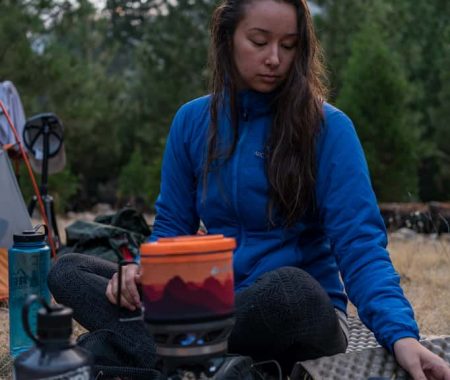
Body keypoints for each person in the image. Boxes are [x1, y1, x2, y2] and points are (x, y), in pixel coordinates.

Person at [48, 0, 450, 378]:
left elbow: (360, 244)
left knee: (290, 290)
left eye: (288, 45)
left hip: (296, 313)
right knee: (69, 268)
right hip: (211, 306)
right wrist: (140, 271)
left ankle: (135, 349)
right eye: (259, 41)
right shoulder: (191, 122)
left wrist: (401, 336)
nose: (274, 58)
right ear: (227, 39)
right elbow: (172, 226)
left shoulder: (328, 128)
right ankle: (216, 363)